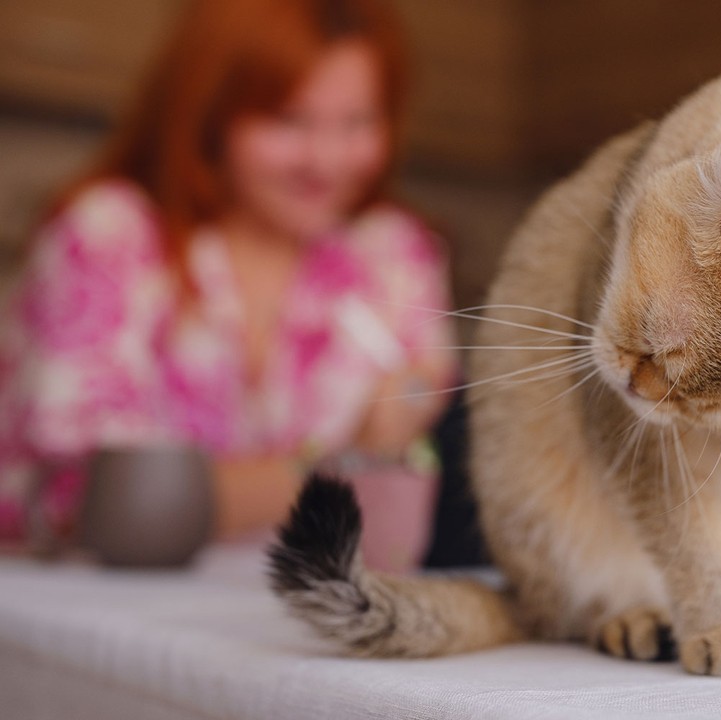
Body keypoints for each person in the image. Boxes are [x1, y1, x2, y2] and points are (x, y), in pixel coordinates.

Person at [0, 0, 456, 571]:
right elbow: (94, 504)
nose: (325, 160)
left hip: (281, 609)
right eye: (290, 120)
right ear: (210, 113)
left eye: (358, 122)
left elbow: (430, 405)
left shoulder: (392, 253)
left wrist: (416, 402)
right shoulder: (111, 235)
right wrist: (348, 466)